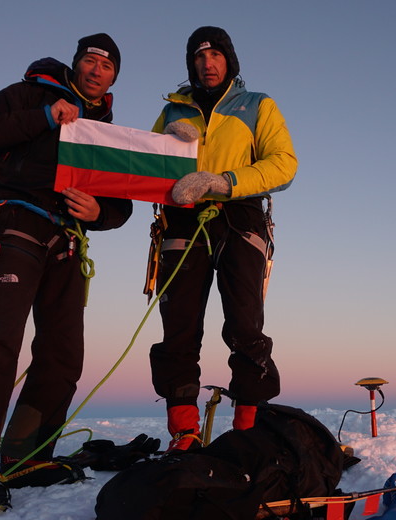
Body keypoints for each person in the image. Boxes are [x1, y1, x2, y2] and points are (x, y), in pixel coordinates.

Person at [0, 33, 132, 514]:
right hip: (16, 226)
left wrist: (98, 213)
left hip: (67, 240)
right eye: (90, 61)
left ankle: (25, 456)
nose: (97, 70)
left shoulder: (104, 129)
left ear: (114, 77)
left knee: (63, 354)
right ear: (76, 64)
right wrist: (45, 117)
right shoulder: (30, 93)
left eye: (107, 66)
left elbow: (123, 202)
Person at [149, 26, 298, 452]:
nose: (207, 63)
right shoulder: (174, 111)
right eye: (198, 56)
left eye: (215, 54)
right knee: (178, 328)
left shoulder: (257, 105)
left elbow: (284, 165)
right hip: (181, 222)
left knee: (245, 325)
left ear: (229, 60)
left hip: (239, 217)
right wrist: (165, 145)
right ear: (190, 64)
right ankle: (184, 432)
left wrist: (224, 181)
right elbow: (144, 167)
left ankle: (249, 429)